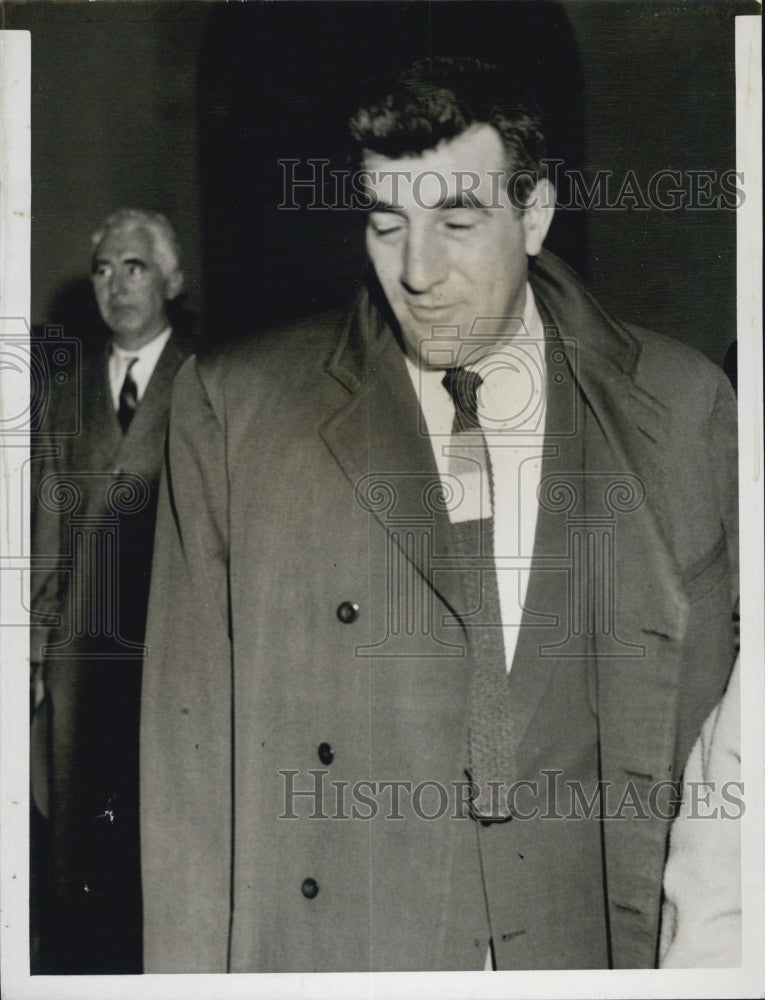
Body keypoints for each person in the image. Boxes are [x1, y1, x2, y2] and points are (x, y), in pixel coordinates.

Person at [140, 58, 738, 972]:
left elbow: (726, 742)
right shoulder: (237, 411)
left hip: (593, 944)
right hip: (352, 942)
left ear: (533, 215)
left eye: (457, 221)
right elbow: (185, 785)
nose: (417, 271)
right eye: (388, 224)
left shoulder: (683, 407)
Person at [30, 209, 194, 973]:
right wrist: (35, 642)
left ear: (171, 279)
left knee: (166, 836)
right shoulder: (62, 392)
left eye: (133, 267)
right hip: (79, 658)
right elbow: (44, 522)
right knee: (76, 847)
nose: (116, 285)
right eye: (101, 269)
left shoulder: (211, 377)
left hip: (175, 647)